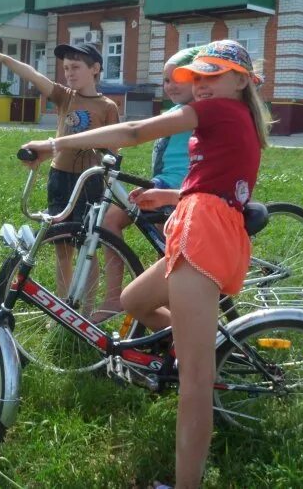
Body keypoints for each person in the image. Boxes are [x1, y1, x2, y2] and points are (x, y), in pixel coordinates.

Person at [20, 40, 270, 488]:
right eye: (198, 78)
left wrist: (53, 142)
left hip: (205, 237)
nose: (202, 86)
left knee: (195, 384)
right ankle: (200, 337)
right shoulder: (237, 119)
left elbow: (135, 131)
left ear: (241, 81)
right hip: (202, 223)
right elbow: (226, 186)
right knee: (134, 299)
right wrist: (174, 196)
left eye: (213, 76)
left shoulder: (218, 112)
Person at [0, 42, 119, 294]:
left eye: (76, 67)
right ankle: (62, 305)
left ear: (95, 68)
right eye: (66, 68)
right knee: (61, 247)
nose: (69, 73)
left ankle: (85, 311)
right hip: (60, 178)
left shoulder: (107, 107)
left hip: (89, 183)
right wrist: (5, 59)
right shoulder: (64, 96)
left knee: (88, 247)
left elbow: (114, 152)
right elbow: (34, 75)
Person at [94, 46, 200, 321]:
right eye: (166, 80)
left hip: (181, 191)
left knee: (168, 254)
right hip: (161, 183)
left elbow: (136, 132)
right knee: (110, 222)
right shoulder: (177, 110)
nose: (170, 85)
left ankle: (171, 316)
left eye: (179, 77)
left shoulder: (195, 112)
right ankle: (115, 297)